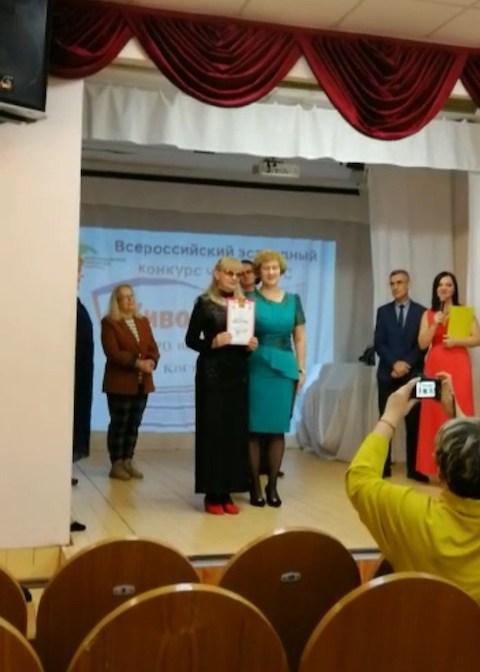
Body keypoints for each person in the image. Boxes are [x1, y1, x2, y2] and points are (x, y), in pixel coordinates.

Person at [346, 374, 480, 605]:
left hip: (421, 625)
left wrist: (390, 416)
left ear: (440, 474)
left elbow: (358, 478)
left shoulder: (411, 515)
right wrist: (455, 415)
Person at [185, 257, 258, 515]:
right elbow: (190, 339)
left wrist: (250, 346)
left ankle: (228, 491)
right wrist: (212, 343)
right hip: (212, 373)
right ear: (217, 274)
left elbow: (245, 339)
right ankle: (212, 493)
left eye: (237, 275)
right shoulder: (204, 302)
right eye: (229, 273)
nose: (234, 278)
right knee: (213, 431)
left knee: (234, 432)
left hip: (237, 373)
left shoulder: (243, 305)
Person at [246, 250, 306, 508]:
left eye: (274, 268)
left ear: (281, 271)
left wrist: (301, 370)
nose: (270, 272)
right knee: (254, 429)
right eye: (266, 268)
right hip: (256, 366)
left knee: (277, 429)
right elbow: (239, 332)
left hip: (284, 368)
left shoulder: (294, 300)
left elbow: (299, 338)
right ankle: (254, 486)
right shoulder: (248, 299)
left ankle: (272, 486)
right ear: (259, 272)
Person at [416, 271, 480, 476]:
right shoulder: (428, 314)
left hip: (459, 364)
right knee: (432, 410)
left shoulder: (463, 312)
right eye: (440, 285)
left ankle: (462, 467)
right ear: (436, 289)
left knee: (459, 408)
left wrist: (456, 341)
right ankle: (432, 467)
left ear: (454, 289)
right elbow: (422, 343)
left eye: (448, 284)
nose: (444, 288)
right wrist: (435, 323)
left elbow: (477, 338)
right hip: (434, 364)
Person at [101, 284, 160, 480]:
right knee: (120, 423)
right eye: (125, 297)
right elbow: (113, 352)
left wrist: (151, 361)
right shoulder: (110, 323)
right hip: (120, 383)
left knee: (134, 424)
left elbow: (152, 347)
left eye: (131, 296)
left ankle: (128, 460)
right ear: (116, 301)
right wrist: (137, 363)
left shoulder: (142, 321)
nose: (130, 300)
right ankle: (116, 463)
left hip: (142, 383)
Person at [373, 269, 427, 481]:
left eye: (399, 282)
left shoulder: (422, 312)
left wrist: (406, 364)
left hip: (414, 373)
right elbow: (379, 343)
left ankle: (414, 469)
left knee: (414, 422)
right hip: (387, 373)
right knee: (386, 420)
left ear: (408, 284)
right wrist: (394, 363)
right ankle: (384, 466)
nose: (395, 287)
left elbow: (422, 345)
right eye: (392, 283)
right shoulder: (383, 311)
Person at [70, 256, 94, 533]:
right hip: (67, 390)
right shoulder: (62, 304)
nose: (81, 275)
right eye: (78, 270)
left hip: (78, 387)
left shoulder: (75, 302)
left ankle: (63, 515)